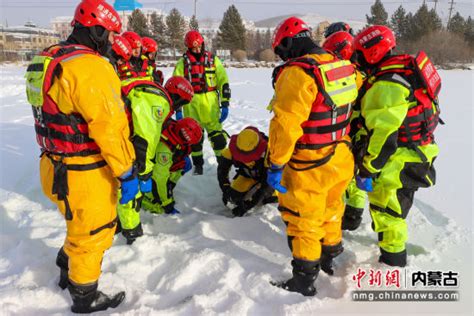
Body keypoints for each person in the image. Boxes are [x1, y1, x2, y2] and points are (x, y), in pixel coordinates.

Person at [25, 0, 137, 313]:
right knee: (94, 232)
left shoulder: (45, 58)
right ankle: (85, 296)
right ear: (97, 28)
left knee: (78, 225)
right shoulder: (90, 67)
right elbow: (110, 129)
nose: (111, 42)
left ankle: (66, 268)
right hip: (83, 172)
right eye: (110, 34)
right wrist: (126, 171)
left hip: (51, 164)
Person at [267, 17, 361, 296]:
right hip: (341, 156)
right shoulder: (343, 66)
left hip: (311, 163)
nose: (283, 58)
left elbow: (285, 127)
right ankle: (329, 257)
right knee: (332, 210)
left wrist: (275, 163)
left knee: (303, 220)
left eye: (282, 52)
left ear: (288, 42)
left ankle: (304, 281)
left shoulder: (298, 74)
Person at [353, 25, 440, 267]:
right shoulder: (406, 69)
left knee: (387, 211)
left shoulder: (386, 84)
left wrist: (368, 168)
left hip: (398, 158)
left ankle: (393, 261)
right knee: (397, 206)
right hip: (420, 149)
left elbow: (384, 136)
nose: (357, 60)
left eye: (359, 54)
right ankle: (392, 250)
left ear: (371, 51)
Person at [114, 67, 195, 244]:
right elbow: (145, 141)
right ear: (177, 97)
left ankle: (115, 221)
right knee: (131, 187)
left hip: (109, 133)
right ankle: (131, 234)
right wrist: (144, 173)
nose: (179, 108)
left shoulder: (147, 89)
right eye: (182, 103)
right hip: (116, 139)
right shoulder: (158, 102)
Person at [323, 30, 368, 231]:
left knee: (348, 173)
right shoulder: (359, 71)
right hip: (356, 128)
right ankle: (352, 213)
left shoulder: (351, 73)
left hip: (351, 129)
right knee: (350, 173)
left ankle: (351, 214)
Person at [173, 30, 231, 175]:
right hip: (191, 105)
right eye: (194, 48)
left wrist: (225, 103)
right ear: (188, 48)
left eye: (199, 47)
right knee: (194, 139)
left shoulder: (213, 61)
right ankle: (198, 166)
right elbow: (176, 86)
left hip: (210, 104)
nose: (198, 50)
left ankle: (223, 166)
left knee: (218, 139)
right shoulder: (182, 63)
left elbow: (223, 81)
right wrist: (178, 109)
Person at [142, 117, 203, 214]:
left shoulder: (174, 129)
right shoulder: (164, 151)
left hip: (160, 165)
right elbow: (159, 178)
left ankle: (168, 187)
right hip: (147, 172)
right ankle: (145, 198)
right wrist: (166, 203)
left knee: (184, 164)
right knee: (160, 208)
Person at [217, 126, 277, 217]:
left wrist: (249, 204)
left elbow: (269, 183)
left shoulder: (269, 153)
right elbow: (222, 170)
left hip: (269, 178)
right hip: (247, 175)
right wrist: (225, 189)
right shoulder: (230, 151)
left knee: (268, 198)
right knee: (234, 196)